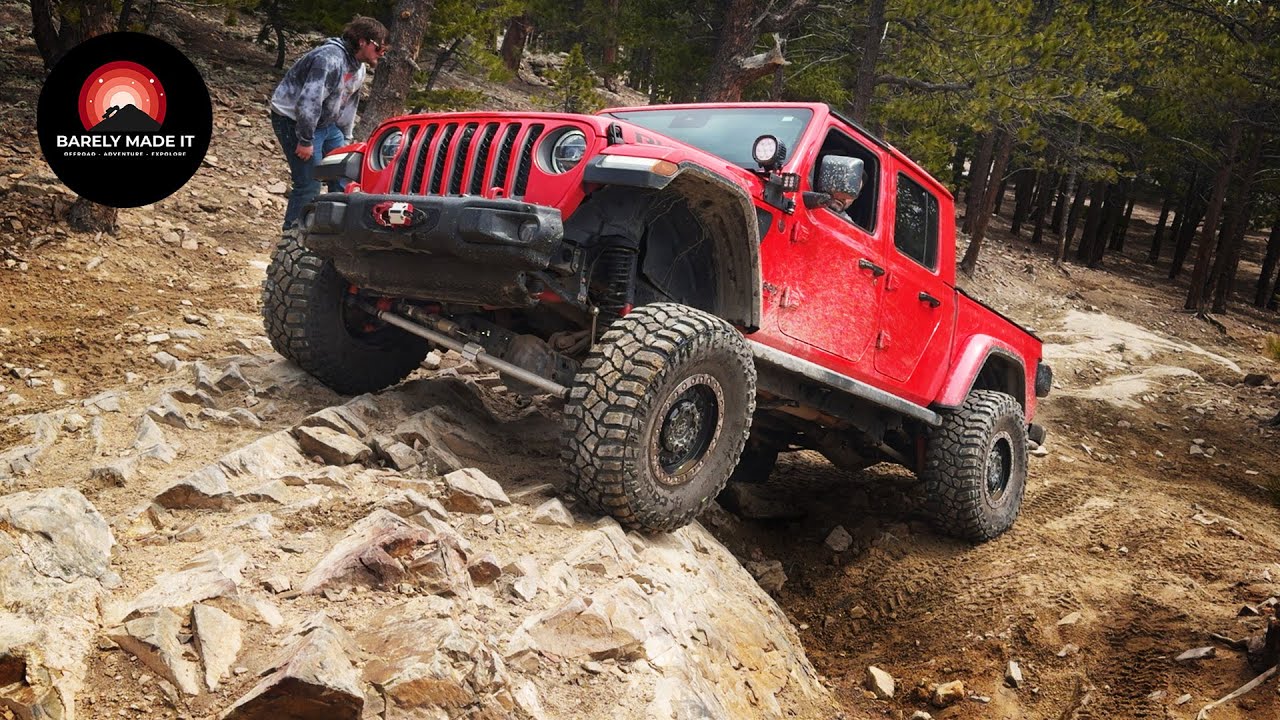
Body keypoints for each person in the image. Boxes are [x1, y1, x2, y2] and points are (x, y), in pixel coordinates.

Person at [269, 16, 389, 232]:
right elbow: (309, 102)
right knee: (308, 184)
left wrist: (346, 137)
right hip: (294, 120)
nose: (381, 53)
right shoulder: (328, 59)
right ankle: (293, 237)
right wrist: (305, 140)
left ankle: (333, 231)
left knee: (345, 174)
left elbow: (348, 103)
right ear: (363, 41)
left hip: (326, 123)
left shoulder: (359, 68)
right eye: (379, 47)